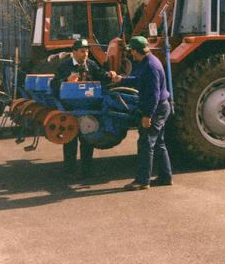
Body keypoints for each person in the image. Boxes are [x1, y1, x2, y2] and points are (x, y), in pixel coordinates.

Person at [53, 38, 115, 177]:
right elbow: (54, 85)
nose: (85, 54)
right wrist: (66, 81)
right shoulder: (64, 67)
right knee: (70, 140)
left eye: (87, 51)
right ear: (74, 52)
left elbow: (102, 76)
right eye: (82, 51)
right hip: (71, 109)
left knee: (88, 139)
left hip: (89, 108)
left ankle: (87, 170)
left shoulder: (91, 65)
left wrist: (111, 75)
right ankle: (69, 171)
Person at [119, 36, 173, 190]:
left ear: (137, 51)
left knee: (145, 143)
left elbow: (154, 94)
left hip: (156, 108)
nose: (131, 54)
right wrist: (120, 80)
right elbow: (137, 79)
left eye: (132, 51)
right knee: (159, 143)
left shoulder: (150, 66)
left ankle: (142, 181)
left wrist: (148, 116)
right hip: (161, 106)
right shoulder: (146, 62)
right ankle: (165, 177)